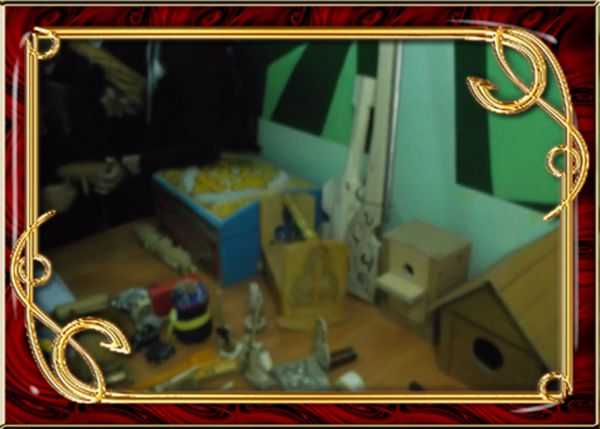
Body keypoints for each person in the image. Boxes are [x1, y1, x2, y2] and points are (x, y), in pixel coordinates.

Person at [40, 40, 259, 247]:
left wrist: (138, 162)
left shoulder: (189, 49)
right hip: (133, 188)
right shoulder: (150, 45)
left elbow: (203, 144)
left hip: (202, 183)